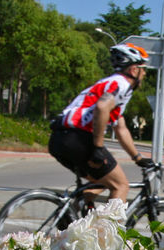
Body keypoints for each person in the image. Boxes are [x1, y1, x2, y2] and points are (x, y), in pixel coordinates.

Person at [49, 43, 152, 202]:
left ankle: (74, 216)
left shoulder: (107, 84)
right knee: (120, 186)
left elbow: (121, 128)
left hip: (59, 138)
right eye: (143, 69)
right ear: (133, 70)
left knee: (102, 180)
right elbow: (102, 106)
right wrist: (98, 147)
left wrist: (138, 158)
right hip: (79, 138)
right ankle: (109, 227)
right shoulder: (122, 84)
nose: (144, 73)